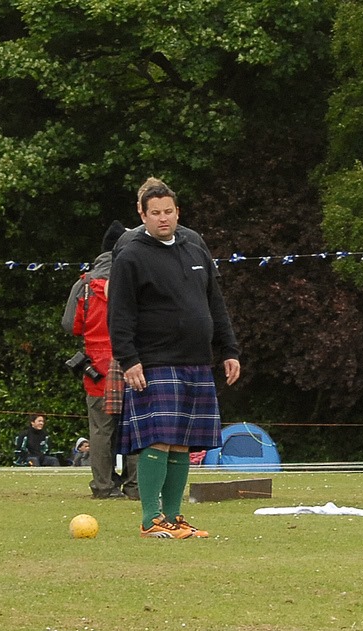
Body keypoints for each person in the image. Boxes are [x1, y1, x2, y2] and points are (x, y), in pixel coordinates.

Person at [107, 182, 241, 539]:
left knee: (183, 440)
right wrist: (129, 359)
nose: (163, 218)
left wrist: (229, 349)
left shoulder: (194, 248)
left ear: (177, 212)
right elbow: (119, 315)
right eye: (155, 213)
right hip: (154, 361)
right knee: (160, 439)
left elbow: (215, 304)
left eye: (168, 211)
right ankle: (151, 519)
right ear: (143, 215)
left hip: (196, 360)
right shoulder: (131, 256)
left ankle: (175, 517)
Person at [61, 221, 133, 498]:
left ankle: (103, 486)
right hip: (131, 361)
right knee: (133, 425)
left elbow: (70, 325)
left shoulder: (85, 285)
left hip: (97, 366)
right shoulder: (133, 278)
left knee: (101, 430)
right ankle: (136, 484)